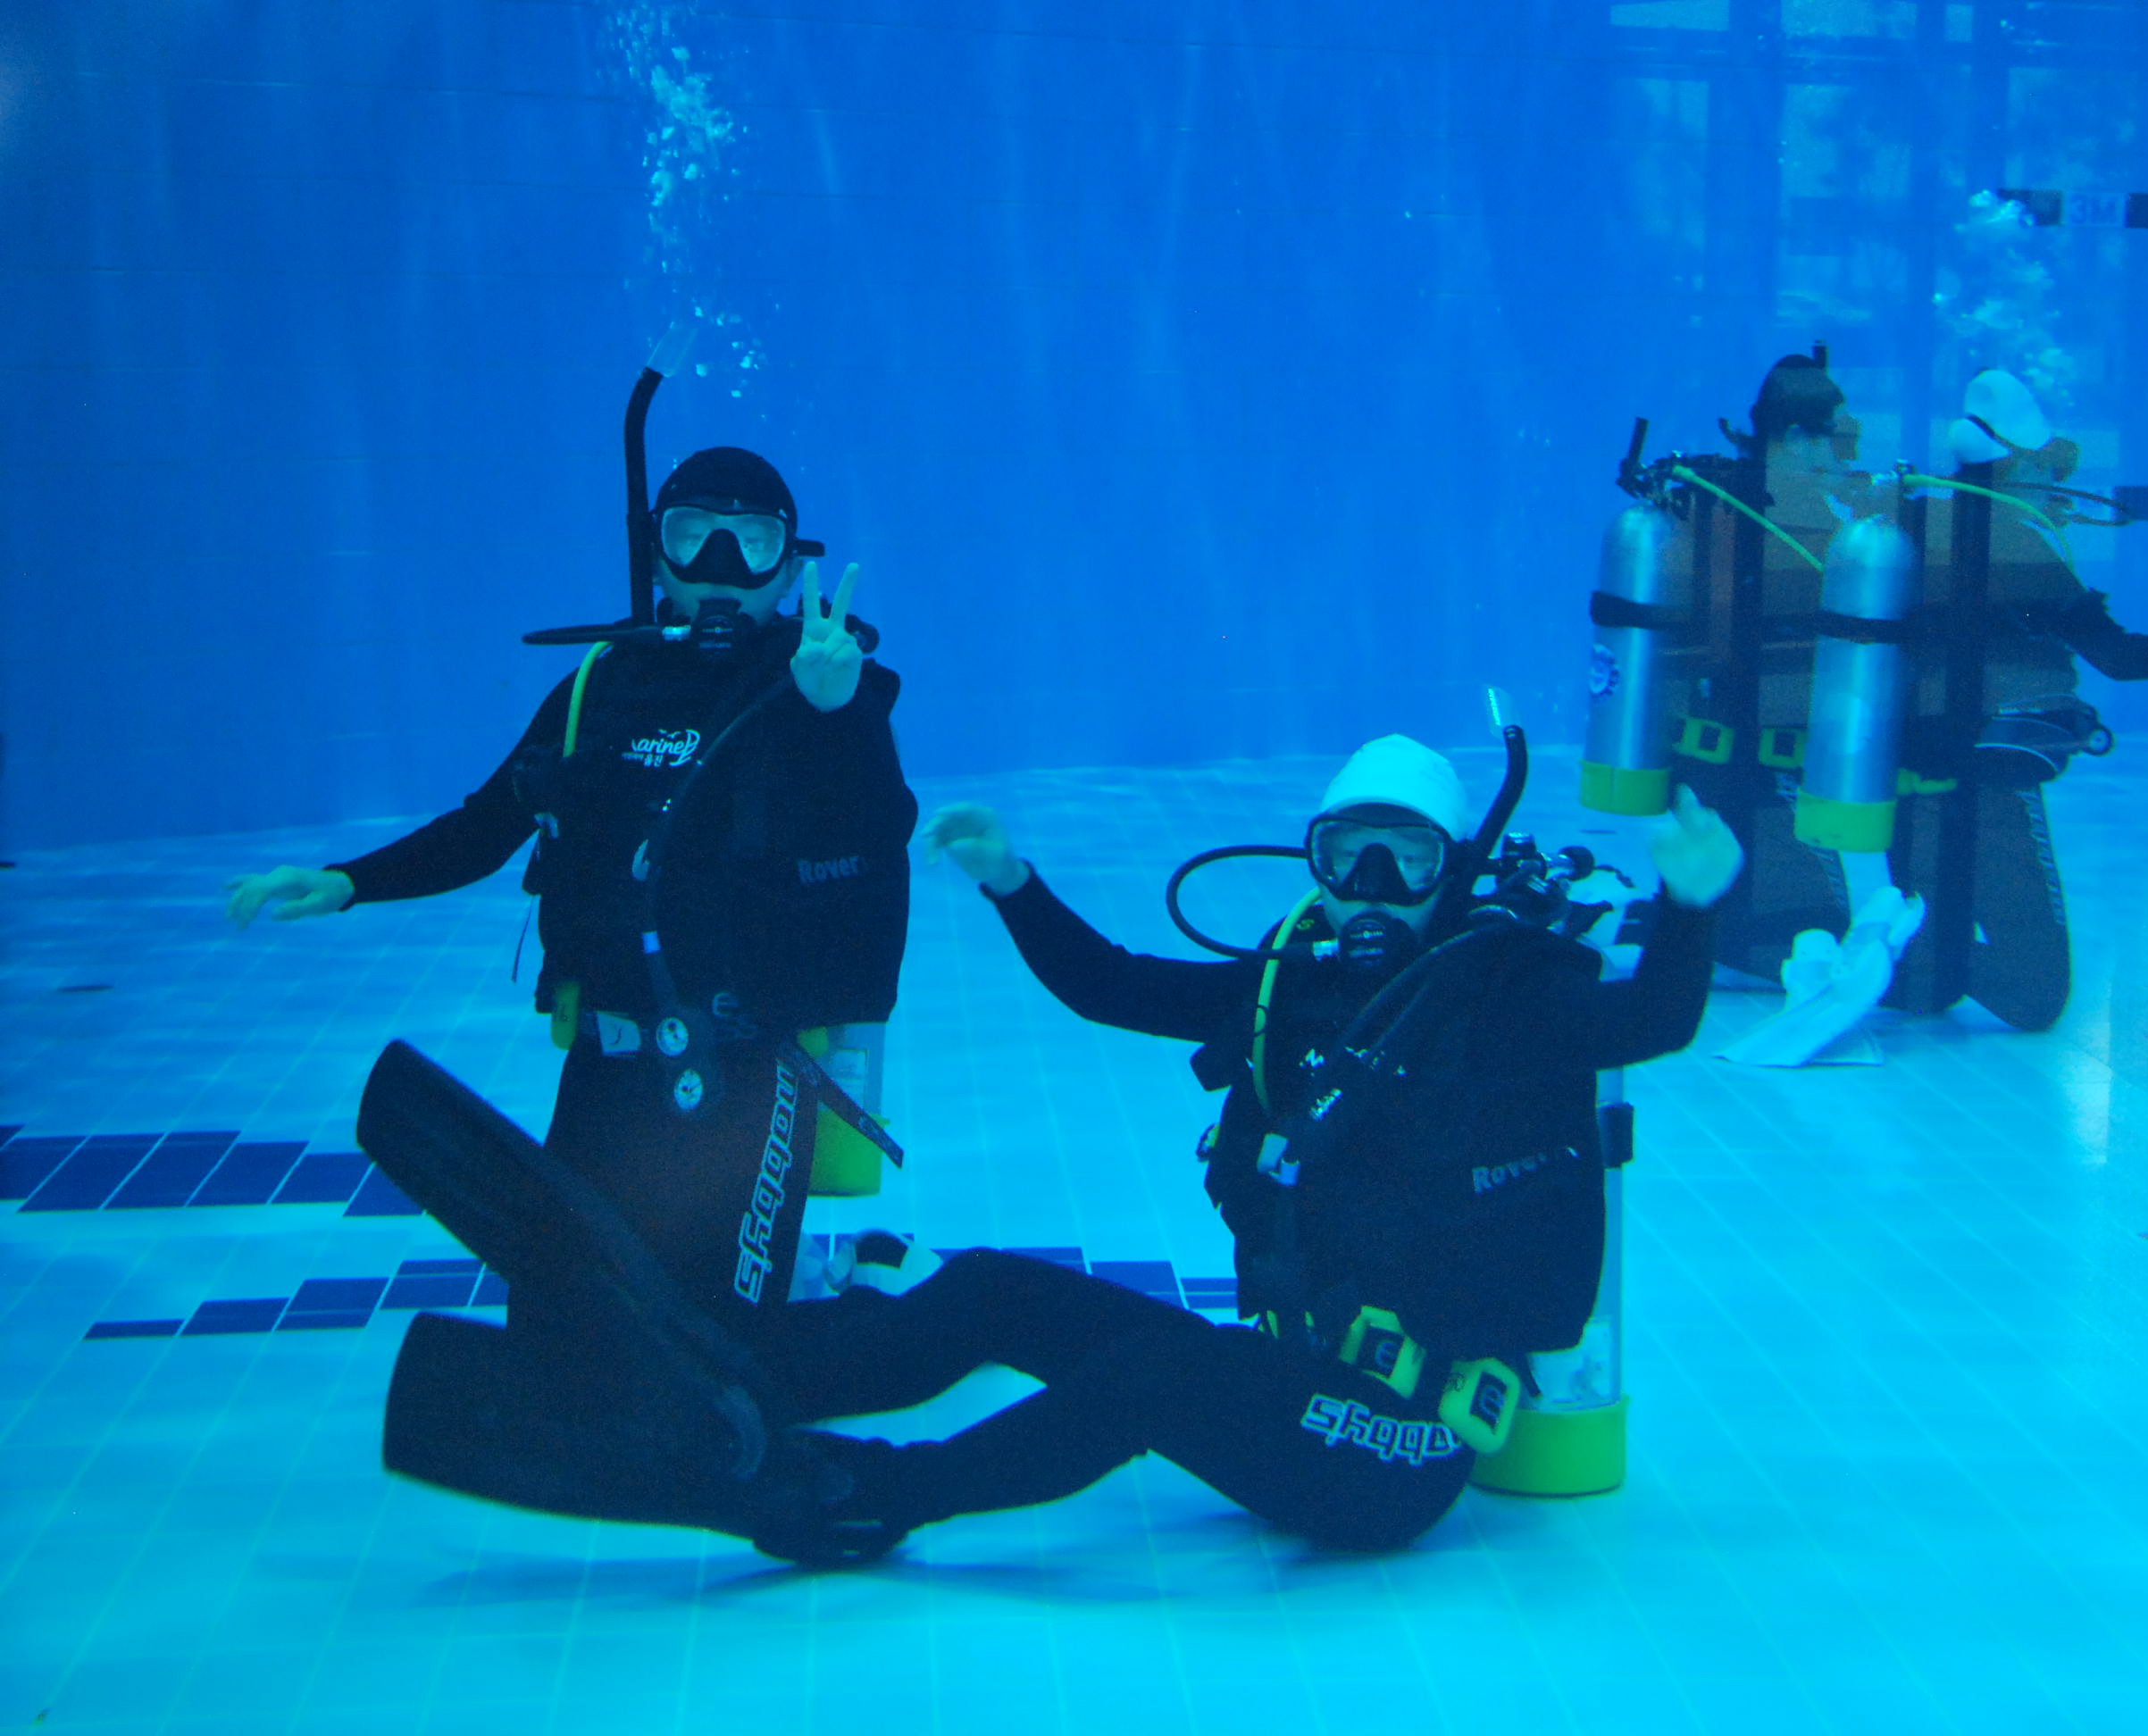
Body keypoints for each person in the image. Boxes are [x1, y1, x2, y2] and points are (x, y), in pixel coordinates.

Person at [365, 733, 1743, 1563]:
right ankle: (737, 1377)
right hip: (1289, 1382)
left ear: (1456, 871)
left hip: (1397, 1449)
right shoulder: (1292, 988)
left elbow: (1652, 1020)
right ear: (1314, 862)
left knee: (1150, 1375)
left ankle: (866, 1496)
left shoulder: (1508, 1002)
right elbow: (1115, 986)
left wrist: (1689, 909)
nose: (1369, 891)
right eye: (1345, 857)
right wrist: (1012, 884)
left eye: (1407, 862)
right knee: (988, 1292)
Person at [227, 445, 918, 1325]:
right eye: (692, 534)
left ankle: (848, 1282)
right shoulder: (597, 690)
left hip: (748, 1063)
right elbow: (487, 825)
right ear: (654, 554)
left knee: (728, 1341)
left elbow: (878, 831)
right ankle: (829, 1275)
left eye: (751, 542)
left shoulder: (817, 688)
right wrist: (348, 880)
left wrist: (837, 713)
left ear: (789, 568)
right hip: (606, 1060)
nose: (720, 564)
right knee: (559, 1316)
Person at [1691, 358, 2148, 1033]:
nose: (2057, 486)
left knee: (1928, 984)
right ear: (2014, 463)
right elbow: (2120, 657)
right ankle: (1840, 954)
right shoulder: (2021, 545)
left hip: (1912, 783)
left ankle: (1828, 953)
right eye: (2048, 467)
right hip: (1992, 782)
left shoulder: (1910, 522)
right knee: (2036, 994)